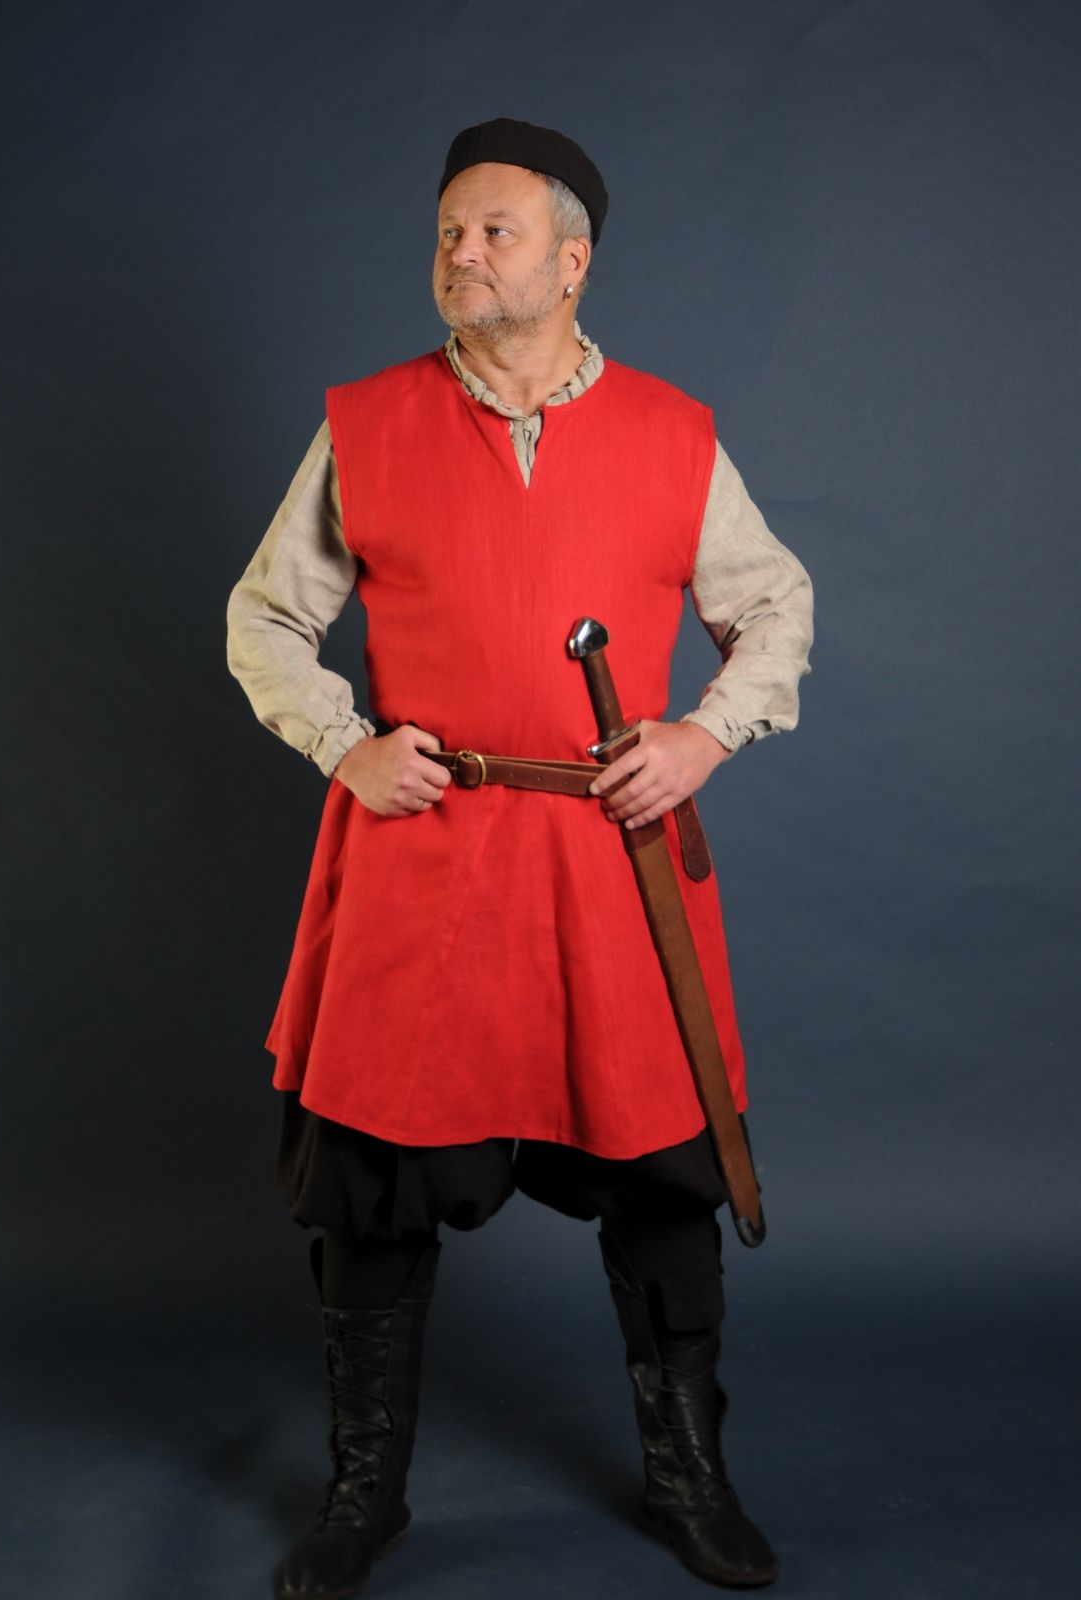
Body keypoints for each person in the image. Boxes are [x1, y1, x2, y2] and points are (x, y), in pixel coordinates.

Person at [227, 117, 813, 1598]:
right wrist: (343, 743)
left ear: (572, 260)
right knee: (374, 1186)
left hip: (612, 860)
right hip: (425, 855)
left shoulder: (674, 431)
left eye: (494, 230)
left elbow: (774, 604)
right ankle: (366, 1493)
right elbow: (266, 617)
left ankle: (688, 1478)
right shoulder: (369, 424)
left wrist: (703, 735)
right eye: (448, 230)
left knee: (667, 1188)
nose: (462, 252)